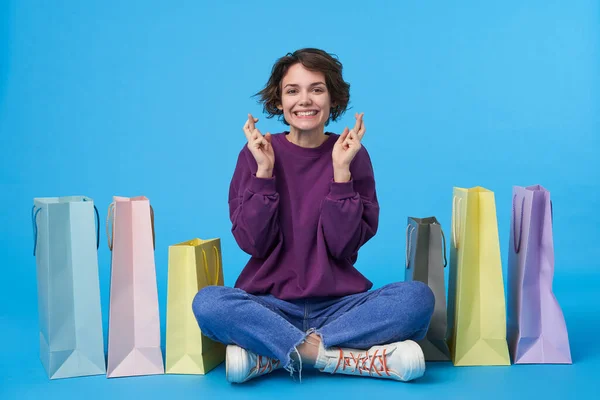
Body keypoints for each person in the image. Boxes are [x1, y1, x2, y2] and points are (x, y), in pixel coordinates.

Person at [192, 48, 435, 384]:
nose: (304, 100)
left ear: (332, 98)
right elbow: (254, 243)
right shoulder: (257, 153)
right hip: (270, 307)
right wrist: (264, 172)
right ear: (278, 101)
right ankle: (338, 358)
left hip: (340, 308)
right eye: (293, 90)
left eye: (316, 89)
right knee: (209, 303)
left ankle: (274, 354)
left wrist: (340, 174)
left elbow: (342, 248)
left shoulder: (351, 156)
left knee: (417, 299)